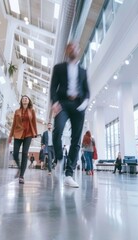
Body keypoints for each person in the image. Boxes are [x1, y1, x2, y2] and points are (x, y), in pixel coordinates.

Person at [50, 42, 90, 188]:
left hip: (78, 106)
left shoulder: (83, 71)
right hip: (63, 104)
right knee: (57, 131)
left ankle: (69, 174)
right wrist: (54, 103)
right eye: (70, 47)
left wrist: (84, 104)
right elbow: (53, 86)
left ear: (79, 50)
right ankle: (60, 158)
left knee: (76, 141)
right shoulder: (58, 68)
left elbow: (87, 91)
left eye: (76, 47)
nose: (73, 49)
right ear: (67, 50)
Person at [8, 95, 38, 184]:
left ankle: (21, 176)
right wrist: (10, 136)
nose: (25, 99)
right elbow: (13, 124)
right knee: (15, 154)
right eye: (23, 98)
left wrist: (35, 133)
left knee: (25, 153)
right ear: (21, 101)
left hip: (28, 134)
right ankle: (20, 168)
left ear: (28, 101)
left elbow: (34, 123)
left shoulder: (32, 111)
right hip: (18, 133)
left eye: (26, 98)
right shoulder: (17, 111)